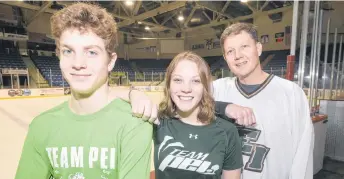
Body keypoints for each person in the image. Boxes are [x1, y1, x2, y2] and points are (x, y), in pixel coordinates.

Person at [131, 23, 314, 179]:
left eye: (244, 47)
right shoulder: (217, 89)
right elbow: (187, 102)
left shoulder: (291, 94)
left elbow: (303, 153)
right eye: (230, 51)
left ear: (258, 48)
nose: (238, 55)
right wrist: (225, 107)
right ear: (225, 58)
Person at [15, 3, 152, 179]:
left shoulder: (134, 124)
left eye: (92, 52)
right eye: (68, 51)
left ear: (111, 61)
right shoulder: (41, 126)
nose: (78, 63)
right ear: (59, 56)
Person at [153, 51, 243, 179]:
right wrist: (133, 94)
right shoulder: (158, 122)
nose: (186, 88)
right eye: (178, 80)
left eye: (195, 81)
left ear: (205, 87)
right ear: (168, 85)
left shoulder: (227, 131)